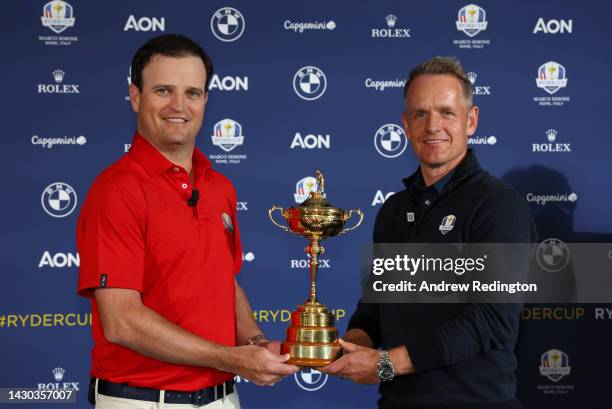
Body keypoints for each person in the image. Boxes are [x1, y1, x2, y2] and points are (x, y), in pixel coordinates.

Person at [76, 34, 298, 409]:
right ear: (135, 96)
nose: (178, 106)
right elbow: (121, 320)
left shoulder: (219, 186)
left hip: (222, 398)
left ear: (206, 100)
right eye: (163, 90)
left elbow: (223, 281)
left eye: (192, 93)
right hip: (144, 401)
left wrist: (254, 343)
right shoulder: (117, 190)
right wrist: (230, 358)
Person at [322, 57, 536, 409]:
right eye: (420, 114)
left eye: (447, 112)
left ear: (471, 121)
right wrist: (353, 342)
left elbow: (492, 317)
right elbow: (377, 303)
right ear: (405, 124)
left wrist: (387, 364)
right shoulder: (393, 210)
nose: (432, 125)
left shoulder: (499, 204)